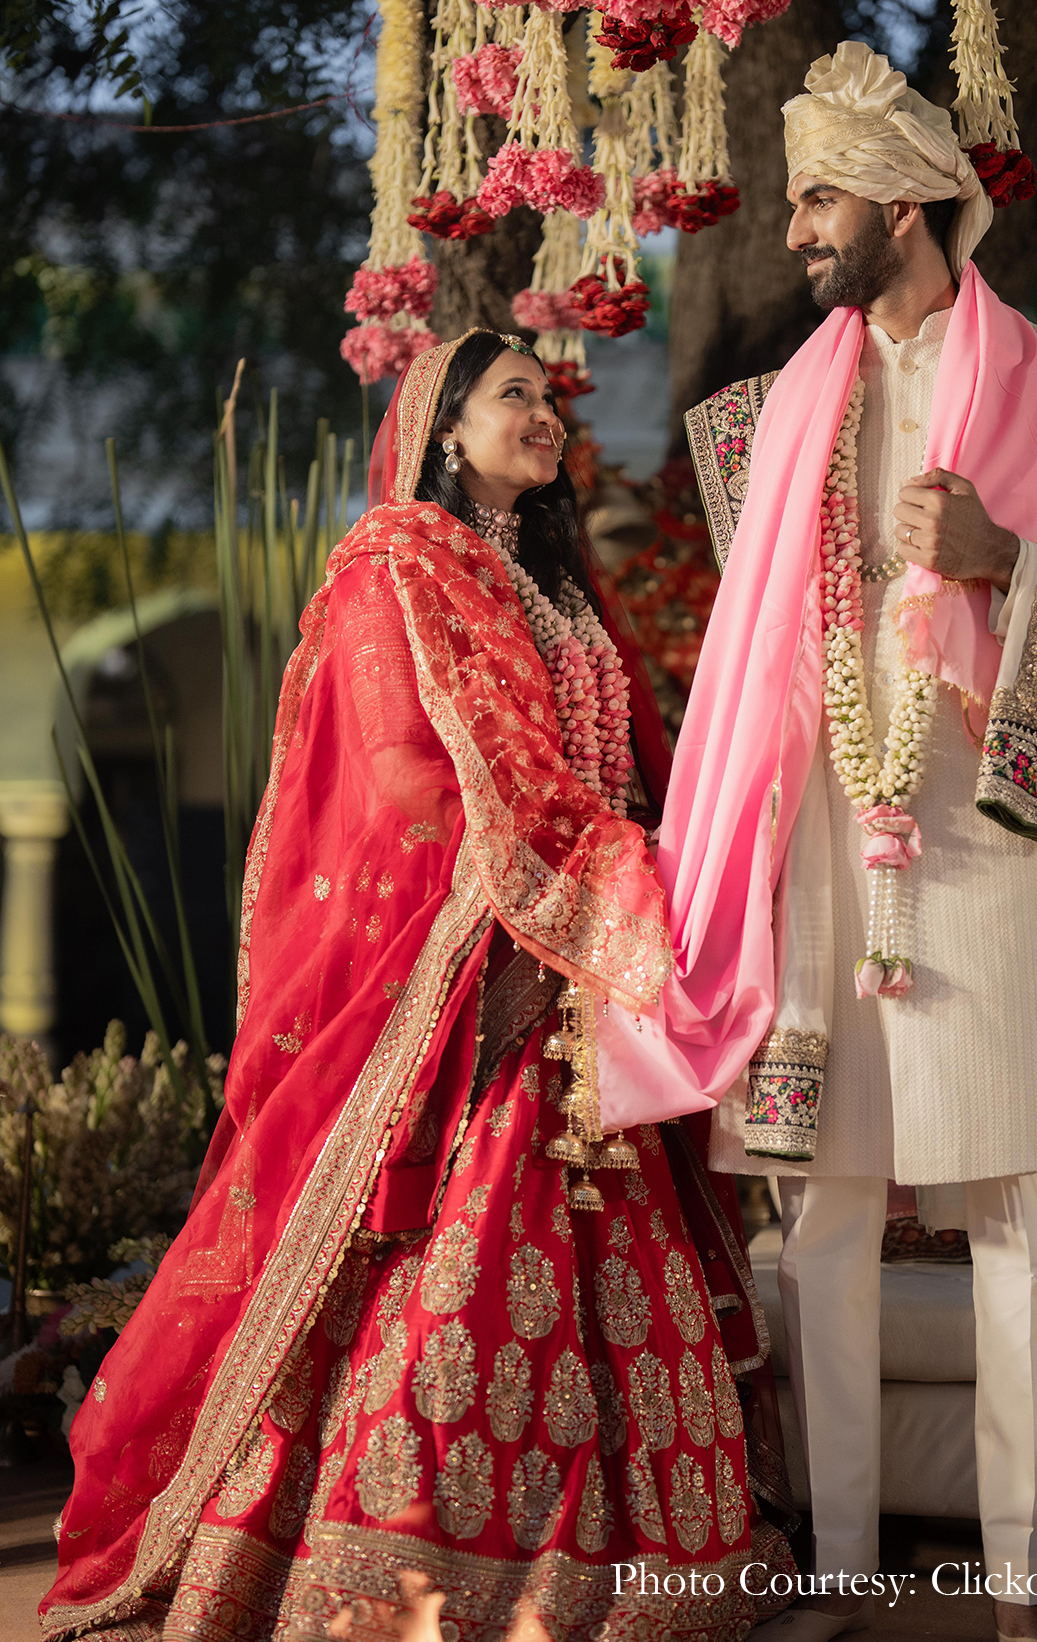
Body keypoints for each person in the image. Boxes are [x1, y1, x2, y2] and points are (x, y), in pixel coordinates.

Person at [41, 330, 796, 1642]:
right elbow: (400, 770)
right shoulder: (398, 562)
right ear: (443, 425)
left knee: (617, 1265)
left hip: (585, 973)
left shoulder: (558, 584)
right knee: (450, 1269)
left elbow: (627, 759)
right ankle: (391, 1565)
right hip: (482, 967)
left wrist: (667, 869)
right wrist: (563, 889)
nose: (547, 414)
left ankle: (638, 1553)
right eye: (517, 394)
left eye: (555, 398)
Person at [601, 43, 1037, 1642]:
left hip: (1000, 848)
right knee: (831, 1215)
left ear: (913, 206)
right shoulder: (771, 417)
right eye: (794, 196)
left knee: (1011, 1216)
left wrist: (1007, 560)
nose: (795, 226)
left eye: (820, 195)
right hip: (827, 860)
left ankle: (1023, 1595)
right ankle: (843, 1567)